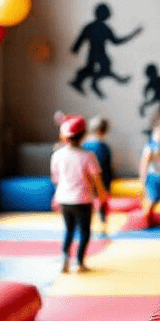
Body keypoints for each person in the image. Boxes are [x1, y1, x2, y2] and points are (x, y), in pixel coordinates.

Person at [51, 115, 108, 273]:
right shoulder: (88, 156)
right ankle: (79, 262)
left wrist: (56, 197)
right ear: (83, 135)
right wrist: (102, 194)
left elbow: (55, 179)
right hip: (83, 199)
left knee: (68, 230)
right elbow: (97, 179)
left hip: (64, 198)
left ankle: (64, 258)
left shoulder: (57, 155)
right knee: (84, 231)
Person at [82, 116, 113, 232]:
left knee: (88, 203)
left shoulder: (85, 146)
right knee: (102, 203)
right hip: (101, 179)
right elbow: (107, 167)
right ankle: (102, 224)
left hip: (87, 180)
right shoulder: (103, 147)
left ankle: (89, 224)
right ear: (104, 131)